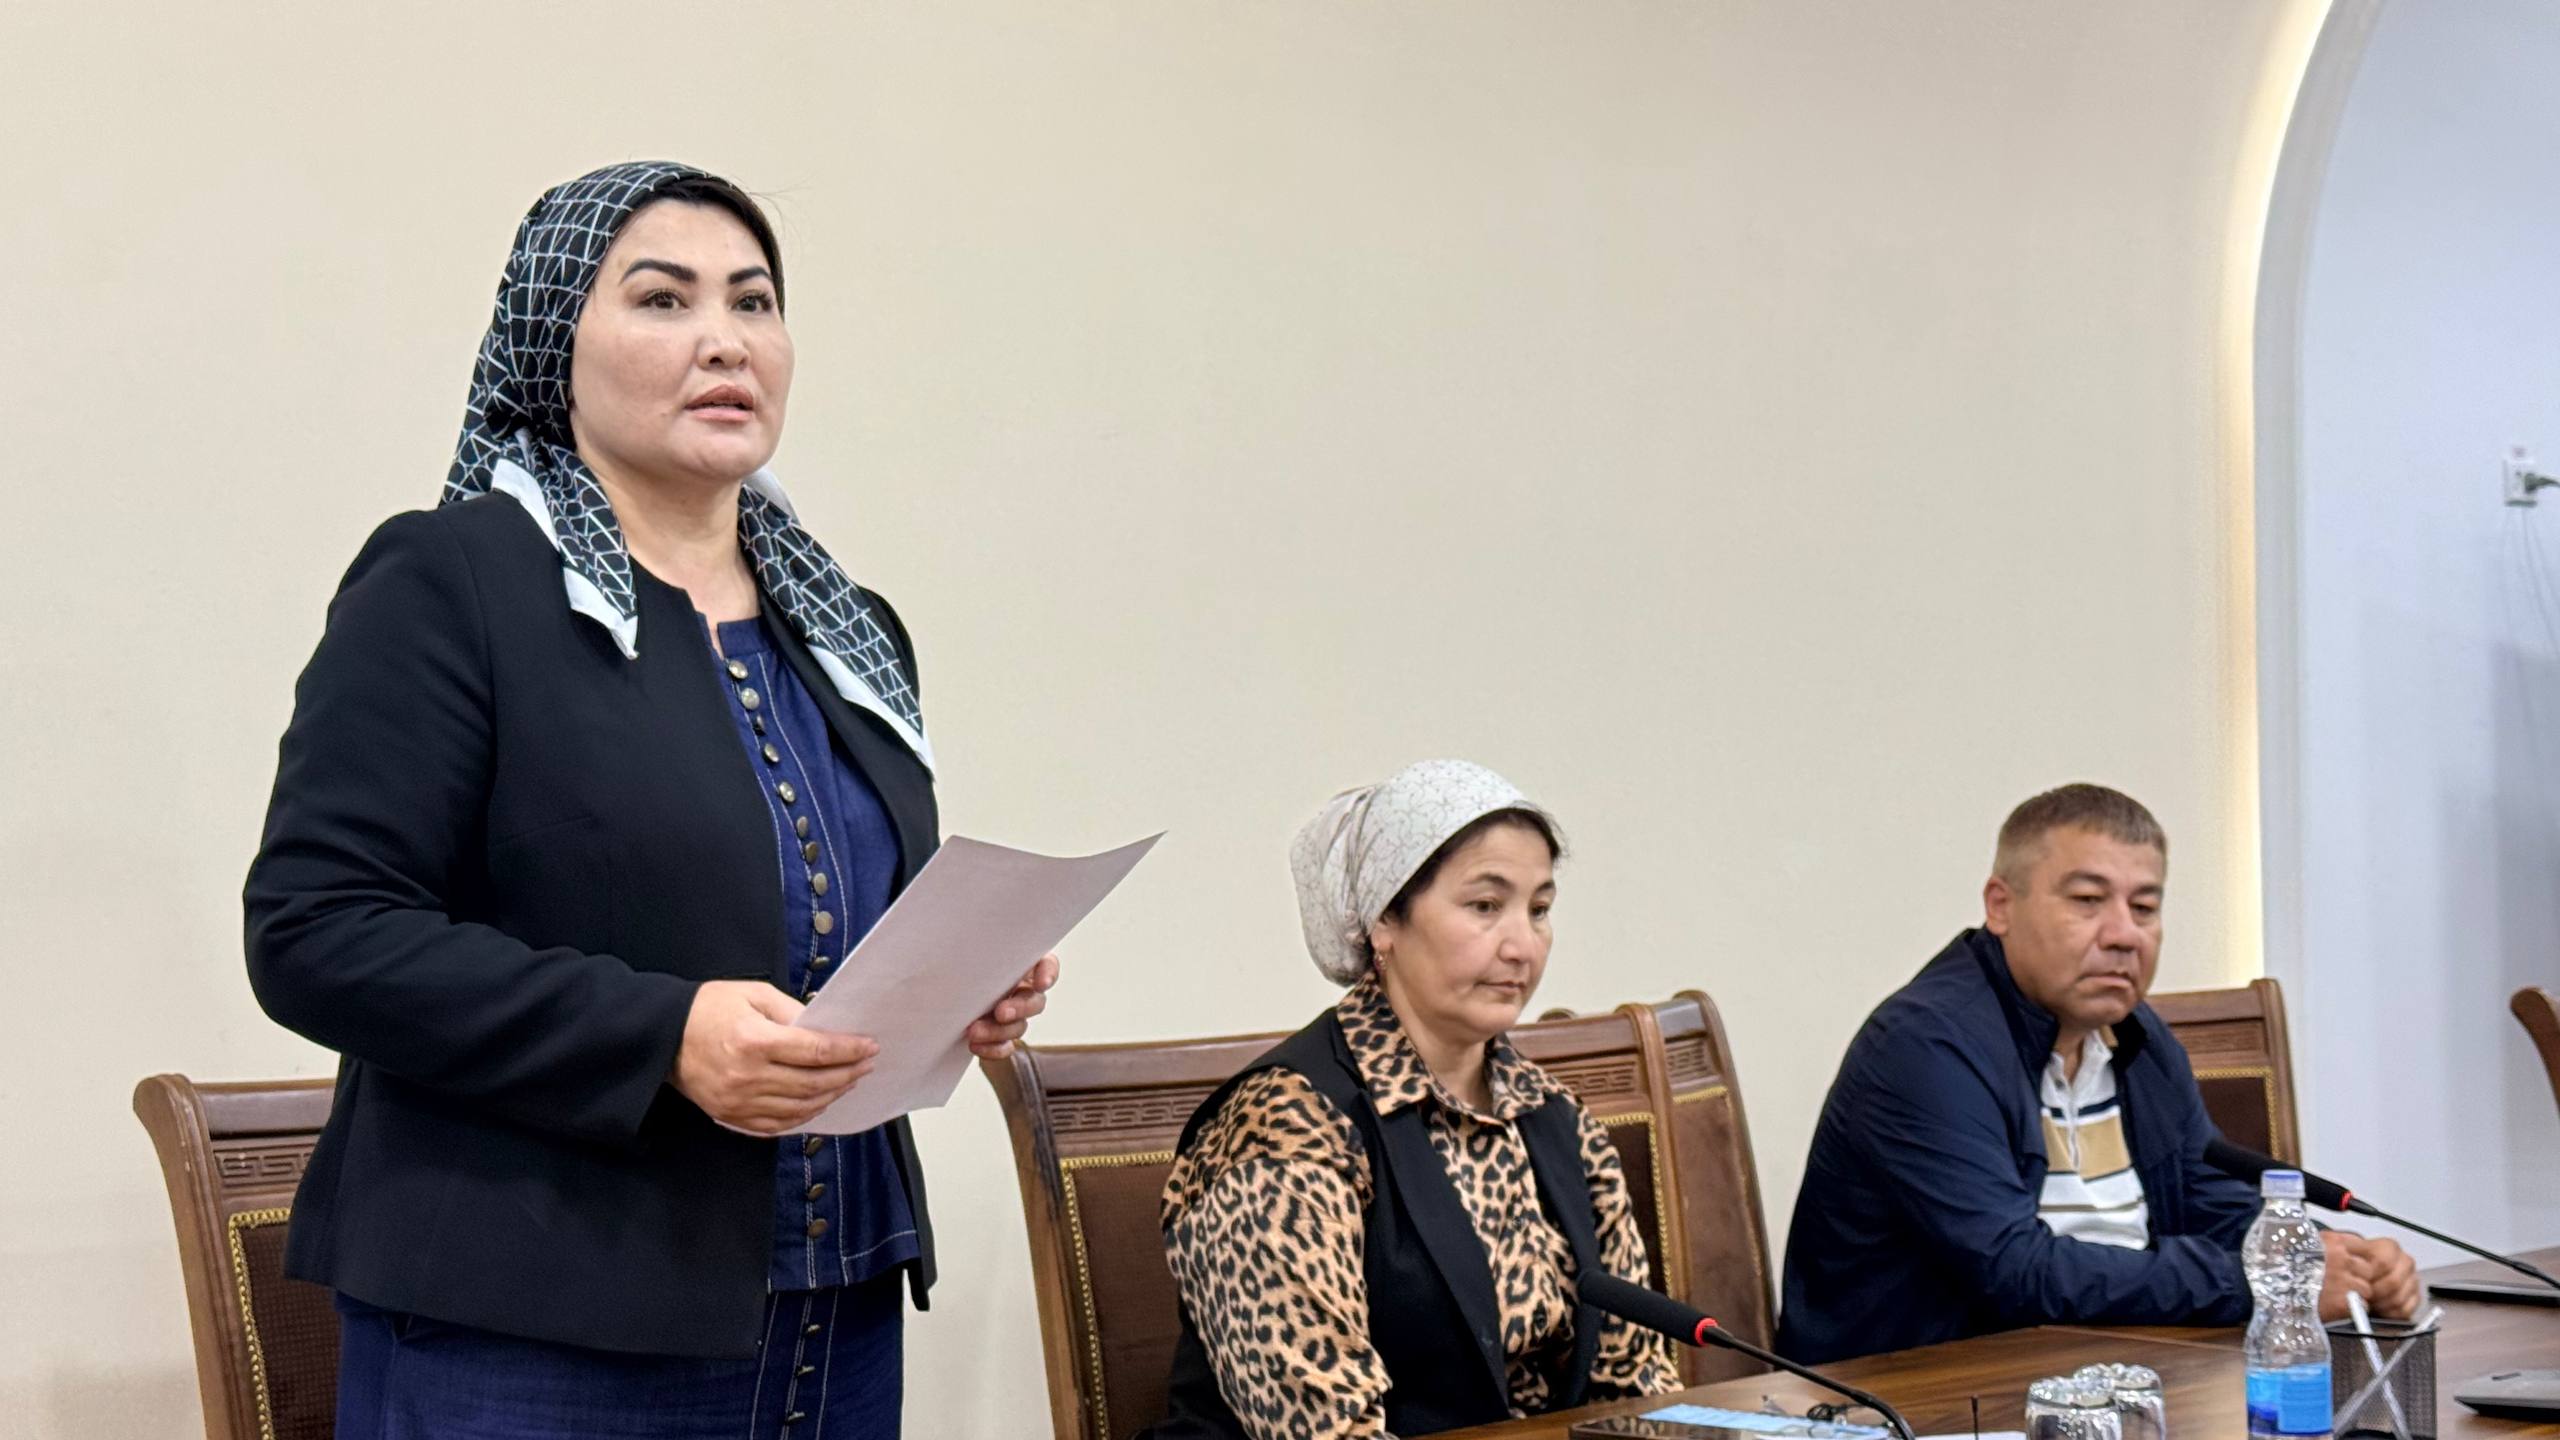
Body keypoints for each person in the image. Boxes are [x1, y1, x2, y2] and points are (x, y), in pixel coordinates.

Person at [243, 161, 1059, 1438]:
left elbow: (820, 917)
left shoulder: (848, 628)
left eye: (753, 301)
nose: (724, 341)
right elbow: (317, 930)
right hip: (536, 1322)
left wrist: (956, 986)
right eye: (663, 300)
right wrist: (663, 1033)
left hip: (833, 1308)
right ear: (552, 345)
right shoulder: (454, 582)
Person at [1775, 783, 2420, 1364]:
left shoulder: (2138, 1038)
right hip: (1919, 1399)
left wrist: (2332, 1258)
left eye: (2145, 908)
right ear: (2000, 906)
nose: (2124, 935)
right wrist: (2261, 1282)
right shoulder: (1926, 1047)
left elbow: (2210, 1205)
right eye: (2087, 901)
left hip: (2115, 1372)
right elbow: (2014, 1270)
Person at [1146, 759, 1683, 1439]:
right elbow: (1327, 1431)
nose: (1523, 946)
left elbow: (1635, 1388)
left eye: (1539, 909)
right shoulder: (1283, 1123)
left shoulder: (1555, 1116)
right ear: (1384, 922)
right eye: (1485, 906)